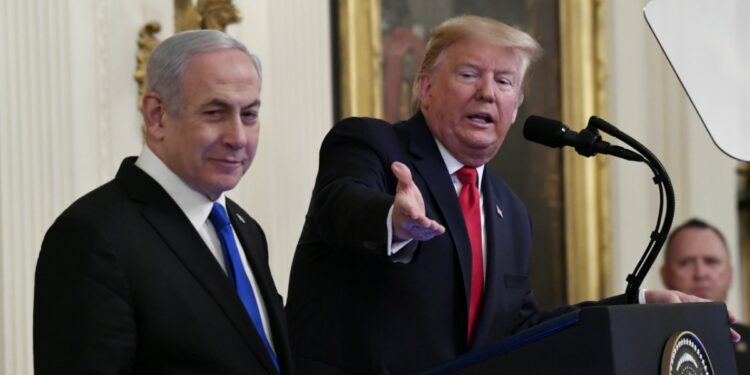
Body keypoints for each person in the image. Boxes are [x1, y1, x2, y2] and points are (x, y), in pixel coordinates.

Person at [285, 15, 735, 373]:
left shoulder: (511, 212)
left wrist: (635, 307)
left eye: (503, 82)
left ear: (516, 105)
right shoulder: (372, 145)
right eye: (468, 74)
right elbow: (341, 202)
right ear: (424, 88)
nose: (487, 92)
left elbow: (522, 331)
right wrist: (392, 221)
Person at [34, 30, 291, 374]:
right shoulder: (92, 236)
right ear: (156, 116)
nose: (238, 138)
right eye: (215, 113)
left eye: (249, 115)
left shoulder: (245, 230)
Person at [661, 218, 750, 373]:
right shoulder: (643, 342)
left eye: (711, 261)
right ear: (665, 275)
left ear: (730, 275)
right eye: (686, 262)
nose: (701, 274)